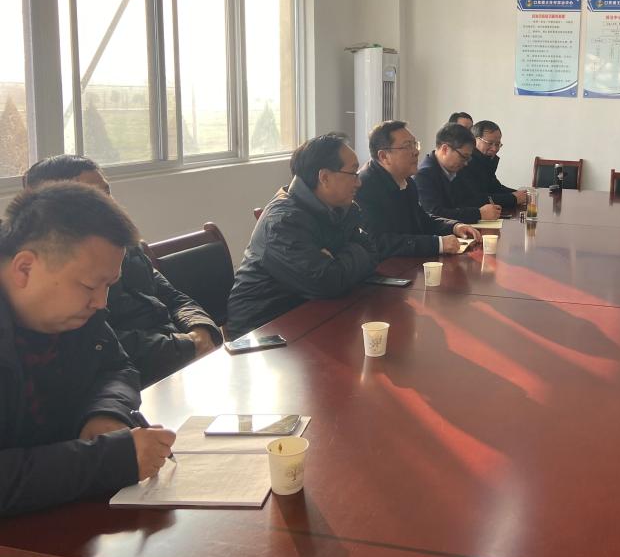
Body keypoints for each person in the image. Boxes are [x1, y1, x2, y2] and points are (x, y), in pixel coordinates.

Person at [0, 183, 176, 517]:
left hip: (58, 514)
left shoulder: (74, 314)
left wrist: (105, 413)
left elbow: (117, 367)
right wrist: (109, 461)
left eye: (108, 285)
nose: (101, 303)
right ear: (25, 268)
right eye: (89, 286)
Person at [23, 156, 222, 387]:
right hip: (140, 375)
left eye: (107, 193)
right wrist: (188, 345)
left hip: (179, 360)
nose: (110, 205)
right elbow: (105, 344)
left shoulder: (124, 246)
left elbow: (172, 297)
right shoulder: (57, 271)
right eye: (94, 197)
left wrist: (201, 329)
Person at [226, 133, 379, 339]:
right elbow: (327, 282)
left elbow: (372, 252)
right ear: (324, 177)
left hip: (312, 313)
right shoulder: (284, 221)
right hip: (263, 330)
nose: (358, 182)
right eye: (353, 173)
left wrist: (336, 261)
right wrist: (346, 257)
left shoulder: (341, 207)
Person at [356, 120, 481, 258]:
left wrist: (454, 227)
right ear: (384, 156)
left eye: (414, 144)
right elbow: (377, 242)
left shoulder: (407, 180)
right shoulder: (363, 186)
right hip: (384, 267)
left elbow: (421, 218)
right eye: (407, 146)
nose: (416, 152)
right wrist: (437, 244)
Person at [414, 124, 502, 223]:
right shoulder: (424, 175)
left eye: (468, 158)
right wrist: (479, 213)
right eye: (463, 157)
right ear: (445, 149)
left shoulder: (454, 170)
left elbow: (468, 200)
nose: (465, 163)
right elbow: (434, 214)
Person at [461, 120, 527, 212]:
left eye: (497, 144)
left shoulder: (486, 160)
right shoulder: (465, 162)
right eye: (490, 143)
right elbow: (476, 198)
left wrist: (519, 194)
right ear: (474, 140)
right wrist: (514, 198)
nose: (494, 148)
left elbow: (495, 187)